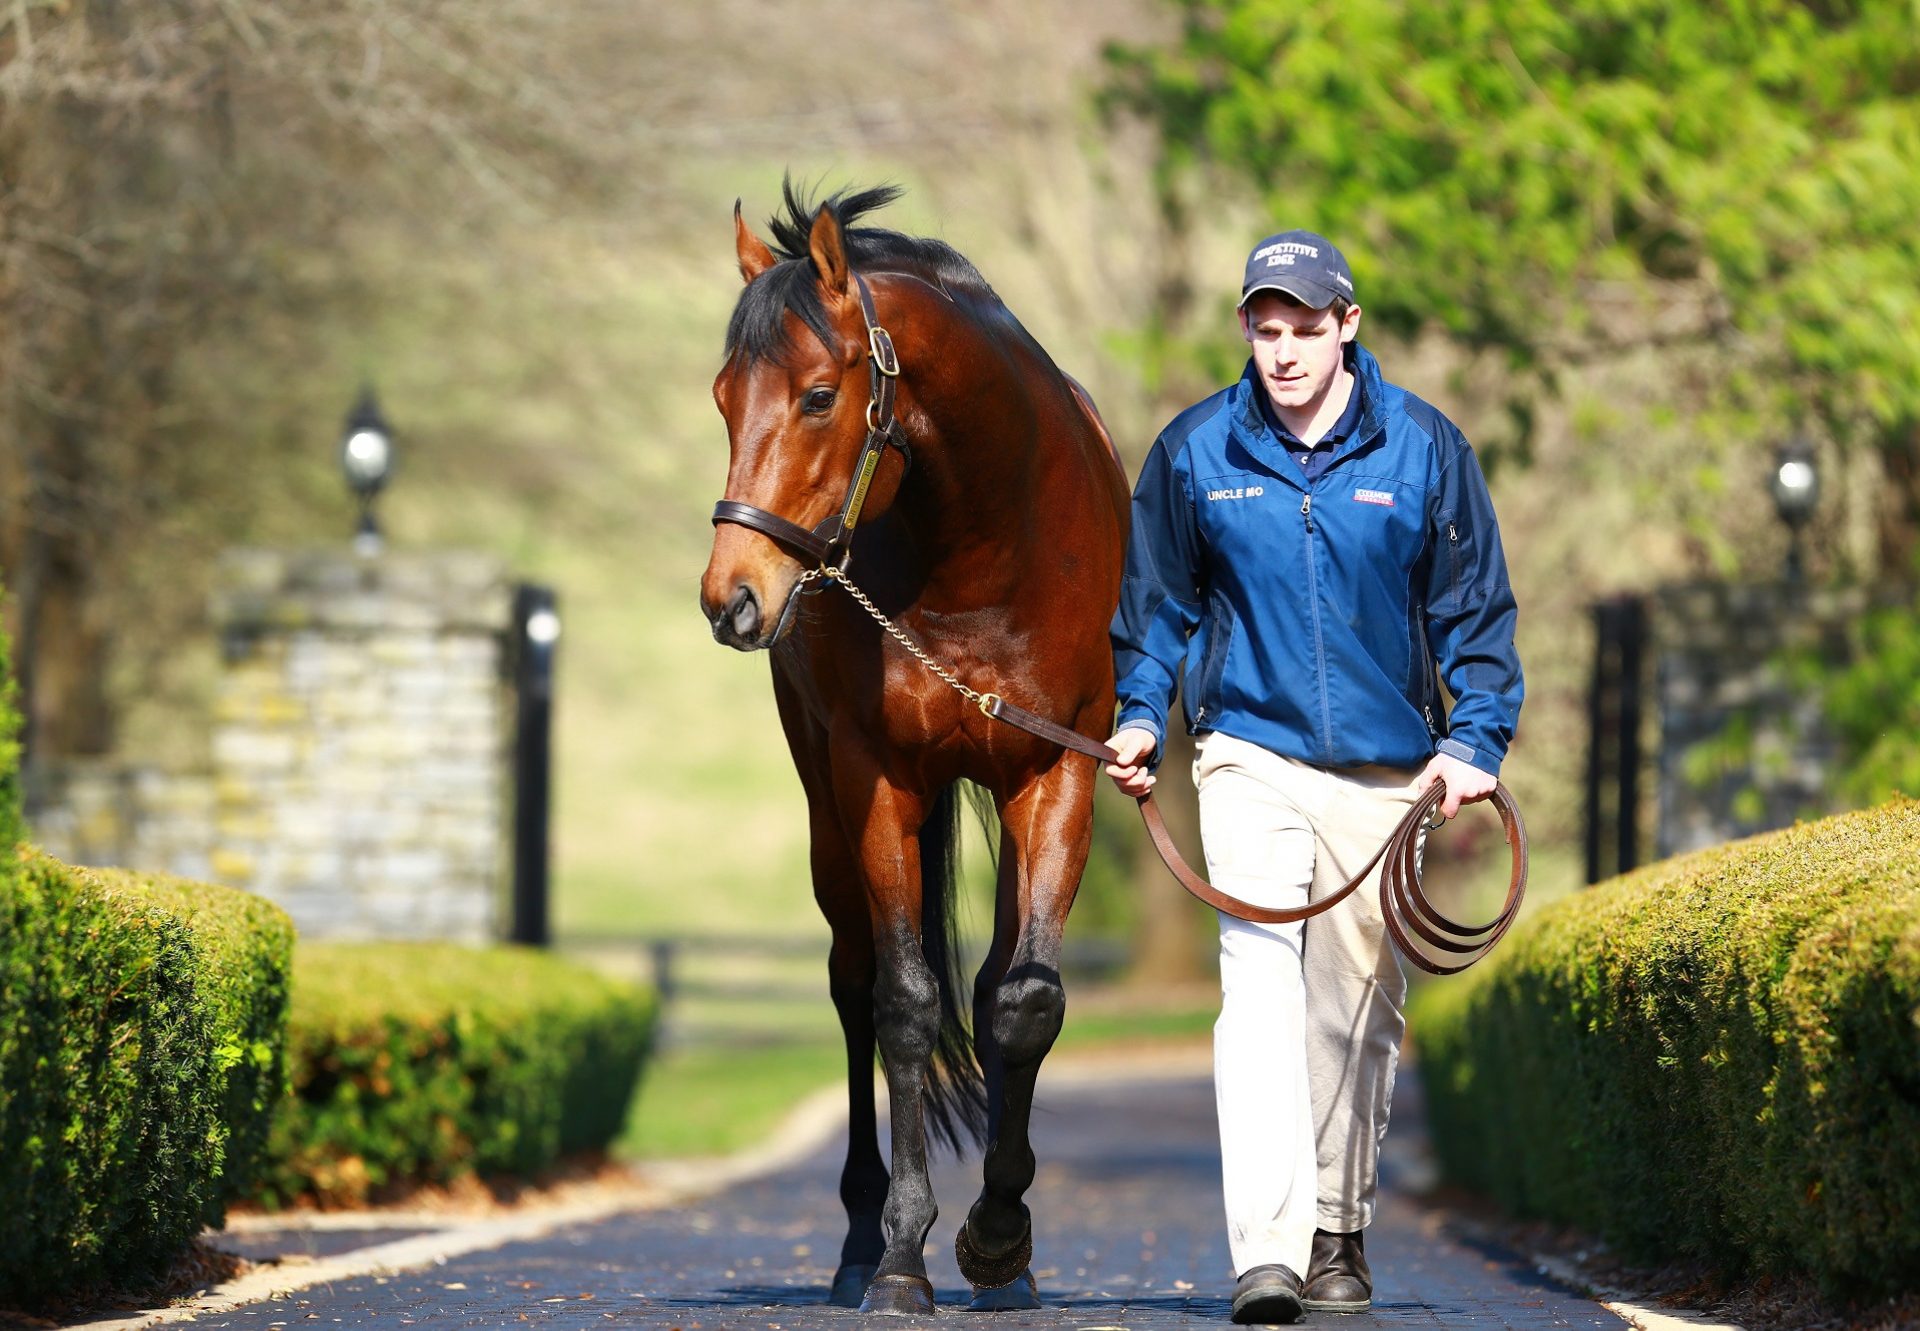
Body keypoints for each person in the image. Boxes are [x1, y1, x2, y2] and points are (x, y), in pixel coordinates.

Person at [1105, 230, 1523, 1324]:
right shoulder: (1196, 452)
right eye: (1266, 327)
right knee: (1257, 991)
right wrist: (1143, 715)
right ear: (1247, 327)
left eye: (1305, 328)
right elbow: (1156, 611)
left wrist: (1474, 740)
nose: (1284, 350)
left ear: (1348, 325)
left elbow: (1475, 614)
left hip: (1391, 772)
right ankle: (1269, 1255)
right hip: (1248, 752)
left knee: (1357, 1013)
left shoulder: (1425, 451)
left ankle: (1340, 1227)